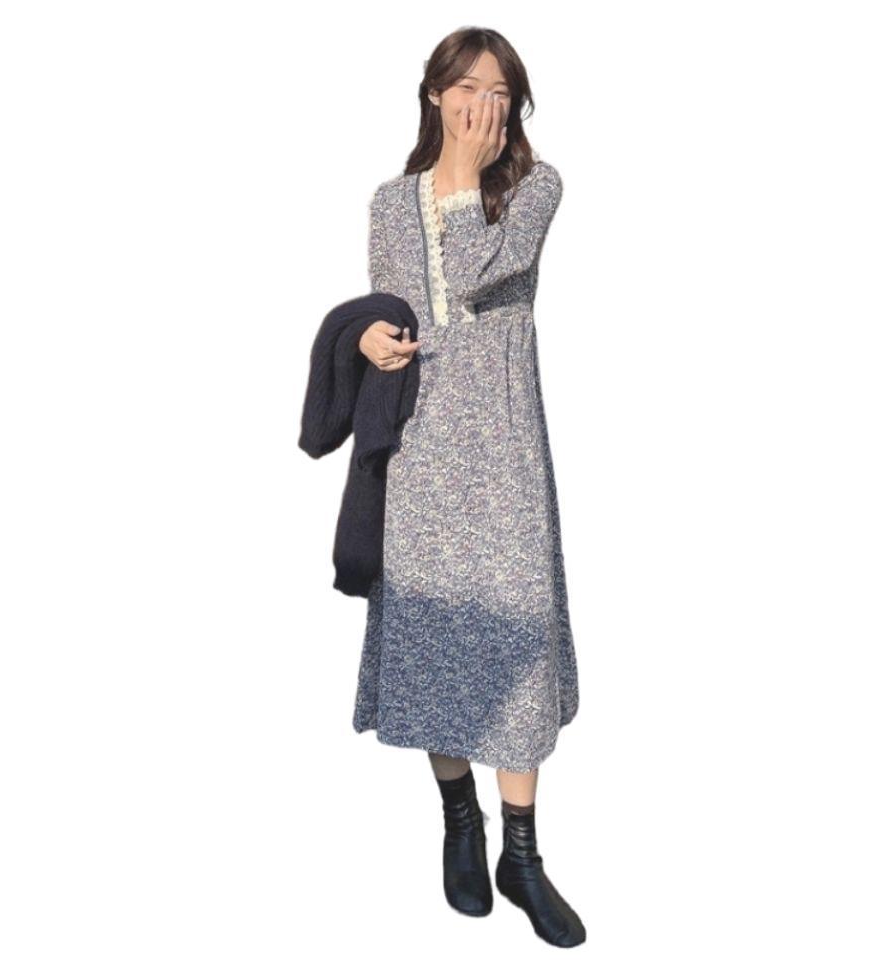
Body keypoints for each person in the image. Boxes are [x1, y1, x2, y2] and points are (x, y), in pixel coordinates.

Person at [352, 28, 585, 947]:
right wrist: (366, 338)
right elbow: (395, 307)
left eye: (497, 91)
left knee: (518, 633)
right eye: (465, 86)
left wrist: (463, 176)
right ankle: (460, 824)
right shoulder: (387, 201)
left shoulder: (535, 187)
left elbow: (485, 272)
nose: (480, 103)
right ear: (435, 93)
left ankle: (521, 854)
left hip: (504, 440)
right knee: (436, 633)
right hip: (422, 449)